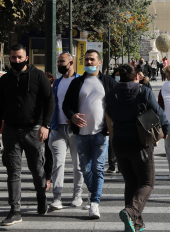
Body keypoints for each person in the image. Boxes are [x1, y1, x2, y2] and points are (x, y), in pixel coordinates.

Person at [0, 44, 55, 226]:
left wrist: (46, 125)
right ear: (9, 58)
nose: (16, 61)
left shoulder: (38, 76)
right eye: (13, 58)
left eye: (20, 57)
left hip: (34, 130)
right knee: (13, 171)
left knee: (37, 169)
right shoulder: (5, 80)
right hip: (11, 131)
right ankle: (15, 210)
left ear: (26, 57)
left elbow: (49, 100)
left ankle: (41, 196)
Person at [106, 64, 169, 232]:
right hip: (139, 142)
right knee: (147, 183)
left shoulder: (112, 93)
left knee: (131, 183)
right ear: (137, 77)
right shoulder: (143, 91)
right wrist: (166, 129)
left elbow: (109, 113)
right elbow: (158, 112)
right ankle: (131, 211)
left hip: (118, 142)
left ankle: (135, 223)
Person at [62, 49, 117, 219]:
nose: (89, 63)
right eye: (86, 60)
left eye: (92, 60)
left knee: (98, 168)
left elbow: (117, 103)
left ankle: (94, 202)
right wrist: (72, 116)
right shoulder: (77, 83)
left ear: (99, 62)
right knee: (85, 170)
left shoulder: (108, 82)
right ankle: (94, 194)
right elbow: (66, 105)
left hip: (101, 133)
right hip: (81, 134)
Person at [48, 52, 84, 210]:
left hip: (77, 129)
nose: (59, 65)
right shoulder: (57, 82)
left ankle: (77, 194)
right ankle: (57, 197)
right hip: (58, 128)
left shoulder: (81, 80)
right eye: (58, 62)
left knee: (78, 165)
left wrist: (77, 116)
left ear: (71, 62)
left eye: (62, 62)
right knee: (58, 163)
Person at [43, 72, 56, 191]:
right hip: (38, 126)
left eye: (51, 83)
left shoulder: (54, 93)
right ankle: (42, 177)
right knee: (38, 155)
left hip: (51, 126)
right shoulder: (38, 92)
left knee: (48, 154)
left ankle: (47, 178)